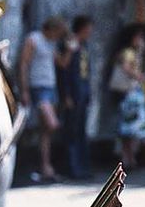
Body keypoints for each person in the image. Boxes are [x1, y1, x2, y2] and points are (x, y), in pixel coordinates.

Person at [19, 16, 71, 182]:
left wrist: (70, 49)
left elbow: (62, 63)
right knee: (52, 124)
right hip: (38, 86)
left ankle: (45, 167)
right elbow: (24, 64)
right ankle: (35, 163)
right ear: (51, 29)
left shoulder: (51, 43)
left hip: (50, 86)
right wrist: (25, 90)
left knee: (46, 132)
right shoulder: (34, 39)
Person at [109, 25, 145, 167]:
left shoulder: (128, 51)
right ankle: (128, 157)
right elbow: (127, 67)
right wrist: (140, 76)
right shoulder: (129, 52)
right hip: (130, 92)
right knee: (130, 127)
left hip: (127, 92)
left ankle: (128, 156)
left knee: (129, 128)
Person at [59, 15, 94, 180]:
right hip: (73, 91)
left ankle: (83, 165)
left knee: (81, 130)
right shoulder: (71, 44)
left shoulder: (84, 46)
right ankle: (72, 167)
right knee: (72, 131)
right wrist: (66, 94)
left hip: (83, 91)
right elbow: (64, 71)